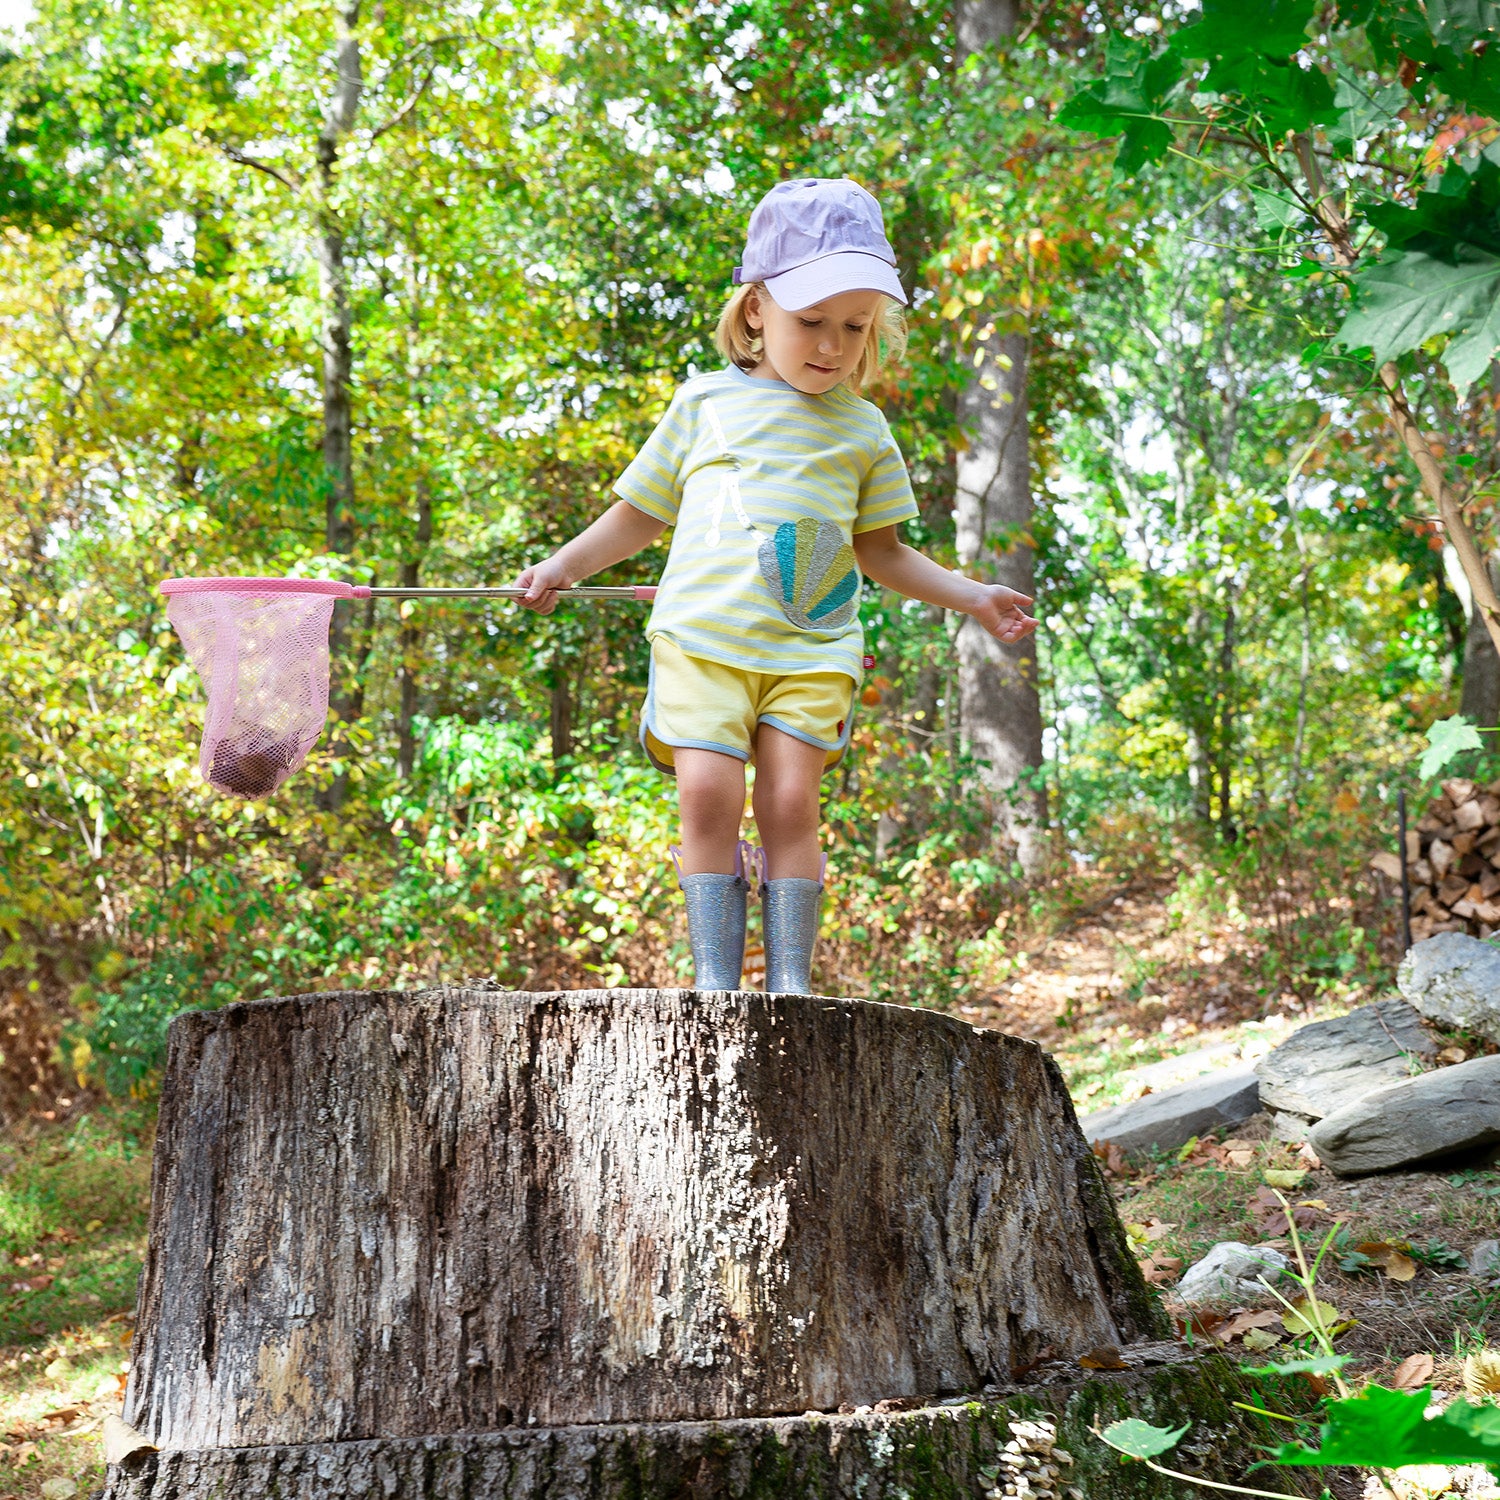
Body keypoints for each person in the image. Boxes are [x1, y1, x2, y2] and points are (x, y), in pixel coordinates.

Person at [517, 177, 1037, 995]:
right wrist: (561, 567)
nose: (832, 345)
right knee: (708, 795)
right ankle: (718, 985)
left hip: (812, 650)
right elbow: (638, 516)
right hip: (703, 643)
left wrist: (971, 594)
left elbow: (883, 552)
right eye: (811, 322)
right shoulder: (706, 404)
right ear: (757, 308)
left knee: (791, 800)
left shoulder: (863, 429)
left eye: (854, 326)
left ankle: (791, 984)